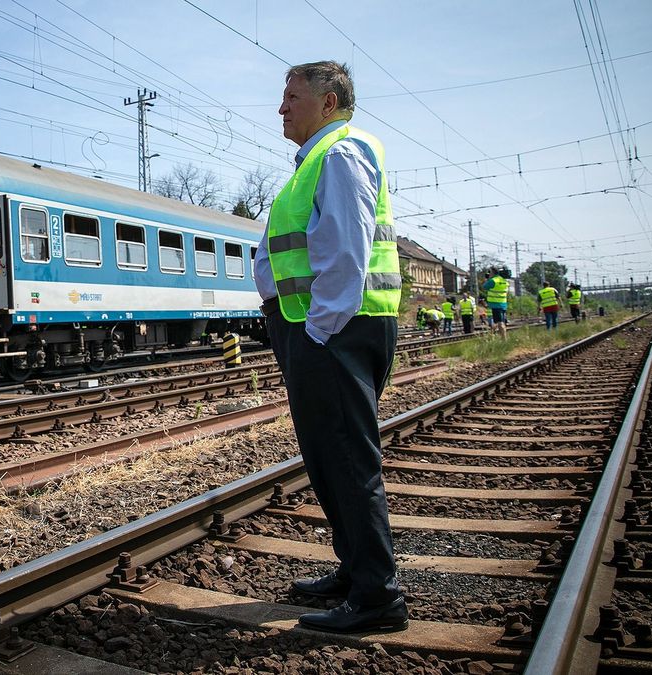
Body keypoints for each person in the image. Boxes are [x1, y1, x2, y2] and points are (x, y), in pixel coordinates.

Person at [255, 60, 406, 633]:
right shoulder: (315, 160)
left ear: (331, 100)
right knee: (327, 456)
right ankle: (355, 570)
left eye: (293, 96)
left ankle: (377, 598)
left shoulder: (341, 154)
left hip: (334, 328)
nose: (281, 106)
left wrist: (318, 330)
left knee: (345, 458)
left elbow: (346, 252)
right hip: (318, 326)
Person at [481, 269, 509, 338]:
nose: (489, 274)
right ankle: (491, 336)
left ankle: (504, 339)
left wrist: (486, 279)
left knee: (500, 323)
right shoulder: (504, 281)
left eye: (490, 273)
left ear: (493, 273)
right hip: (503, 304)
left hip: (495, 304)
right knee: (497, 322)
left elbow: (484, 287)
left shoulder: (493, 281)